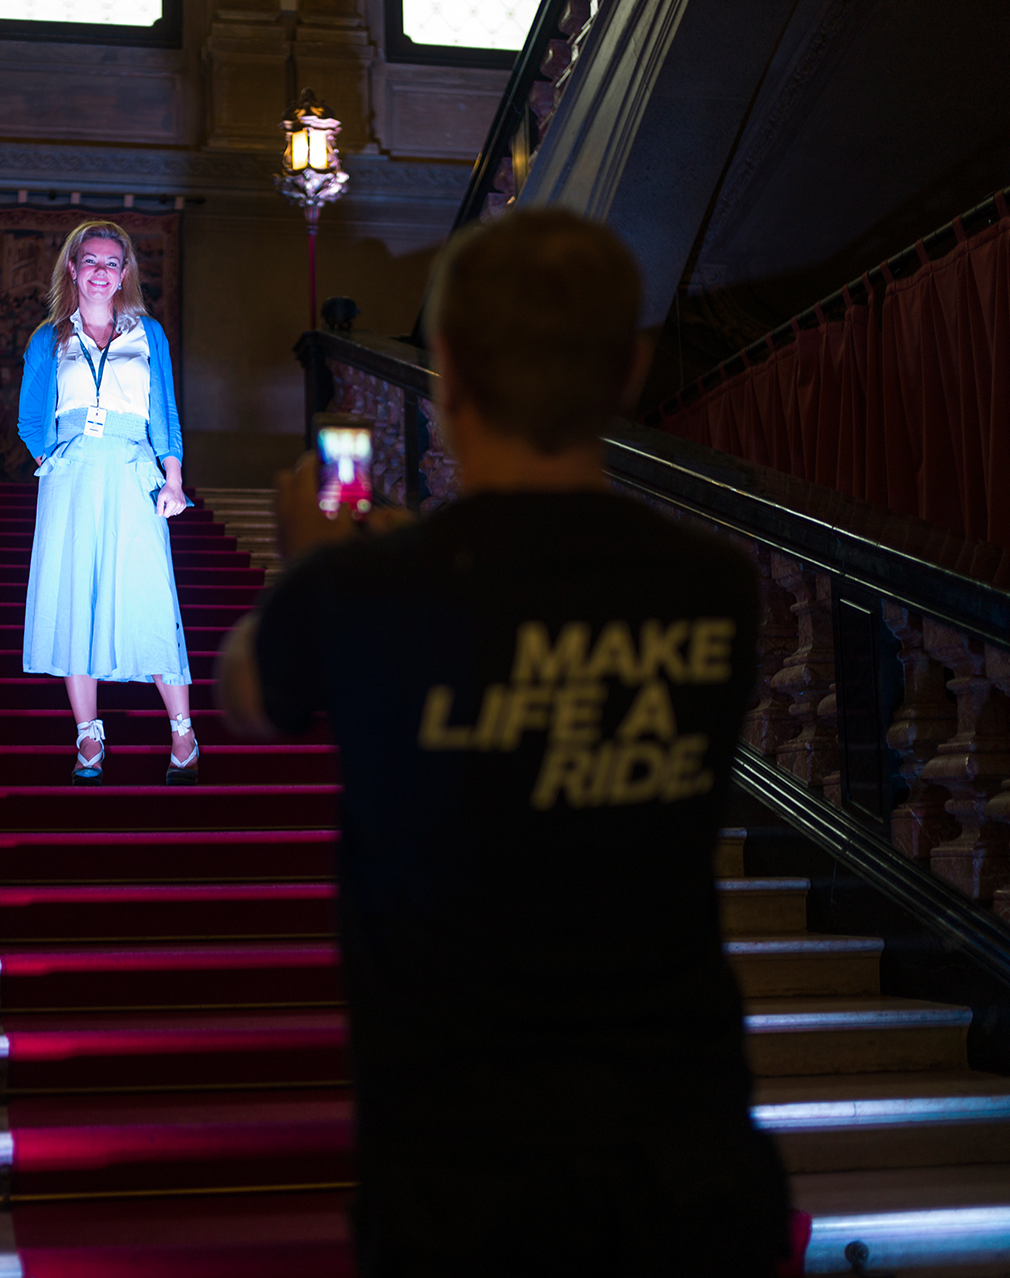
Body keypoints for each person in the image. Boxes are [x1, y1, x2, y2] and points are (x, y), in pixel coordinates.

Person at [216, 209, 794, 1274]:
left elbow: (249, 701)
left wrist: (315, 568)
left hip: (462, 1173)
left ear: (450, 374)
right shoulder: (713, 585)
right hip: (691, 1156)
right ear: (630, 369)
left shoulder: (368, 590)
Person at [18, 220, 199, 785]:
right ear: (73, 268)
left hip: (132, 469)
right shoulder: (49, 337)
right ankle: (88, 737)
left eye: (111, 263)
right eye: (90, 261)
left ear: (124, 274)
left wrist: (173, 478)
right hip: (72, 479)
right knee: (77, 600)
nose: (101, 271)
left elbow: (165, 412)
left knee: (151, 597)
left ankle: (183, 732)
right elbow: (29, 418)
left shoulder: (148, 334)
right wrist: (55, 458)